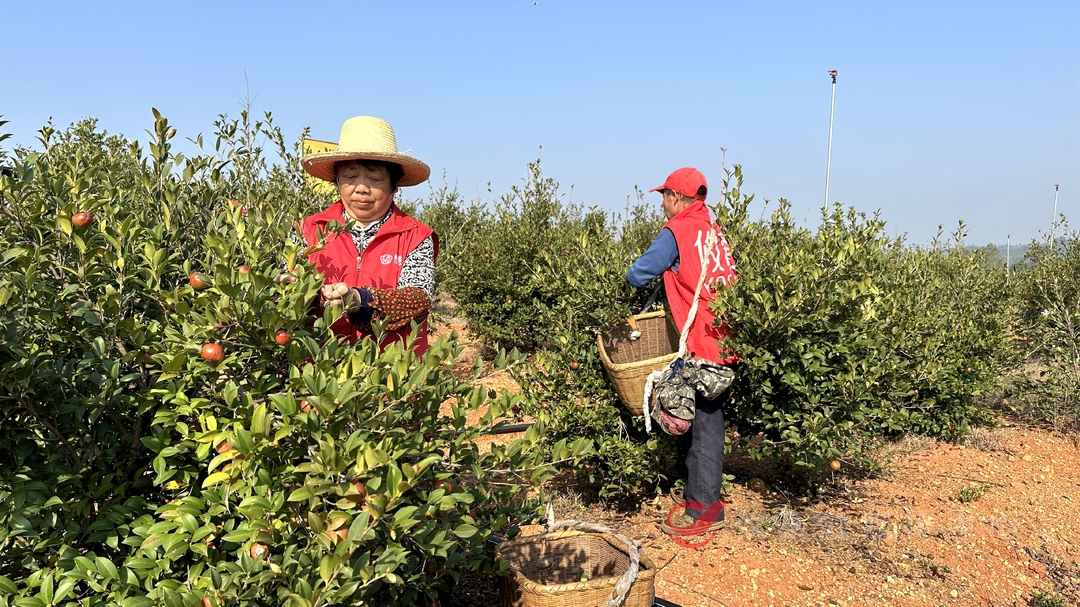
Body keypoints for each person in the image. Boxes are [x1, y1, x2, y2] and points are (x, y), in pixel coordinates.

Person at [626, 167, 738, 536]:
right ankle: (698, 492)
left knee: (704, 423)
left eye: (664, 196)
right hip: (726, 333)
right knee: (710, 416)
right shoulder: (713, 229)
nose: (662, 203)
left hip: (701, 340)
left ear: (676, 198)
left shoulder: (678, 230)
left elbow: (639, 273)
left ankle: (705, 507)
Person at [298, 116, 438, 354]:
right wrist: (297, 291)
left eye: (374, 178)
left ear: (394, 185)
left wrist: (359, 299)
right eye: (351, 177)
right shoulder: (309, 231)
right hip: (319, 377)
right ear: (338, 181)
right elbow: (286, 298)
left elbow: (418, 299)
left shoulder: (415, 236)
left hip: (393, 379)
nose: (361, 188)